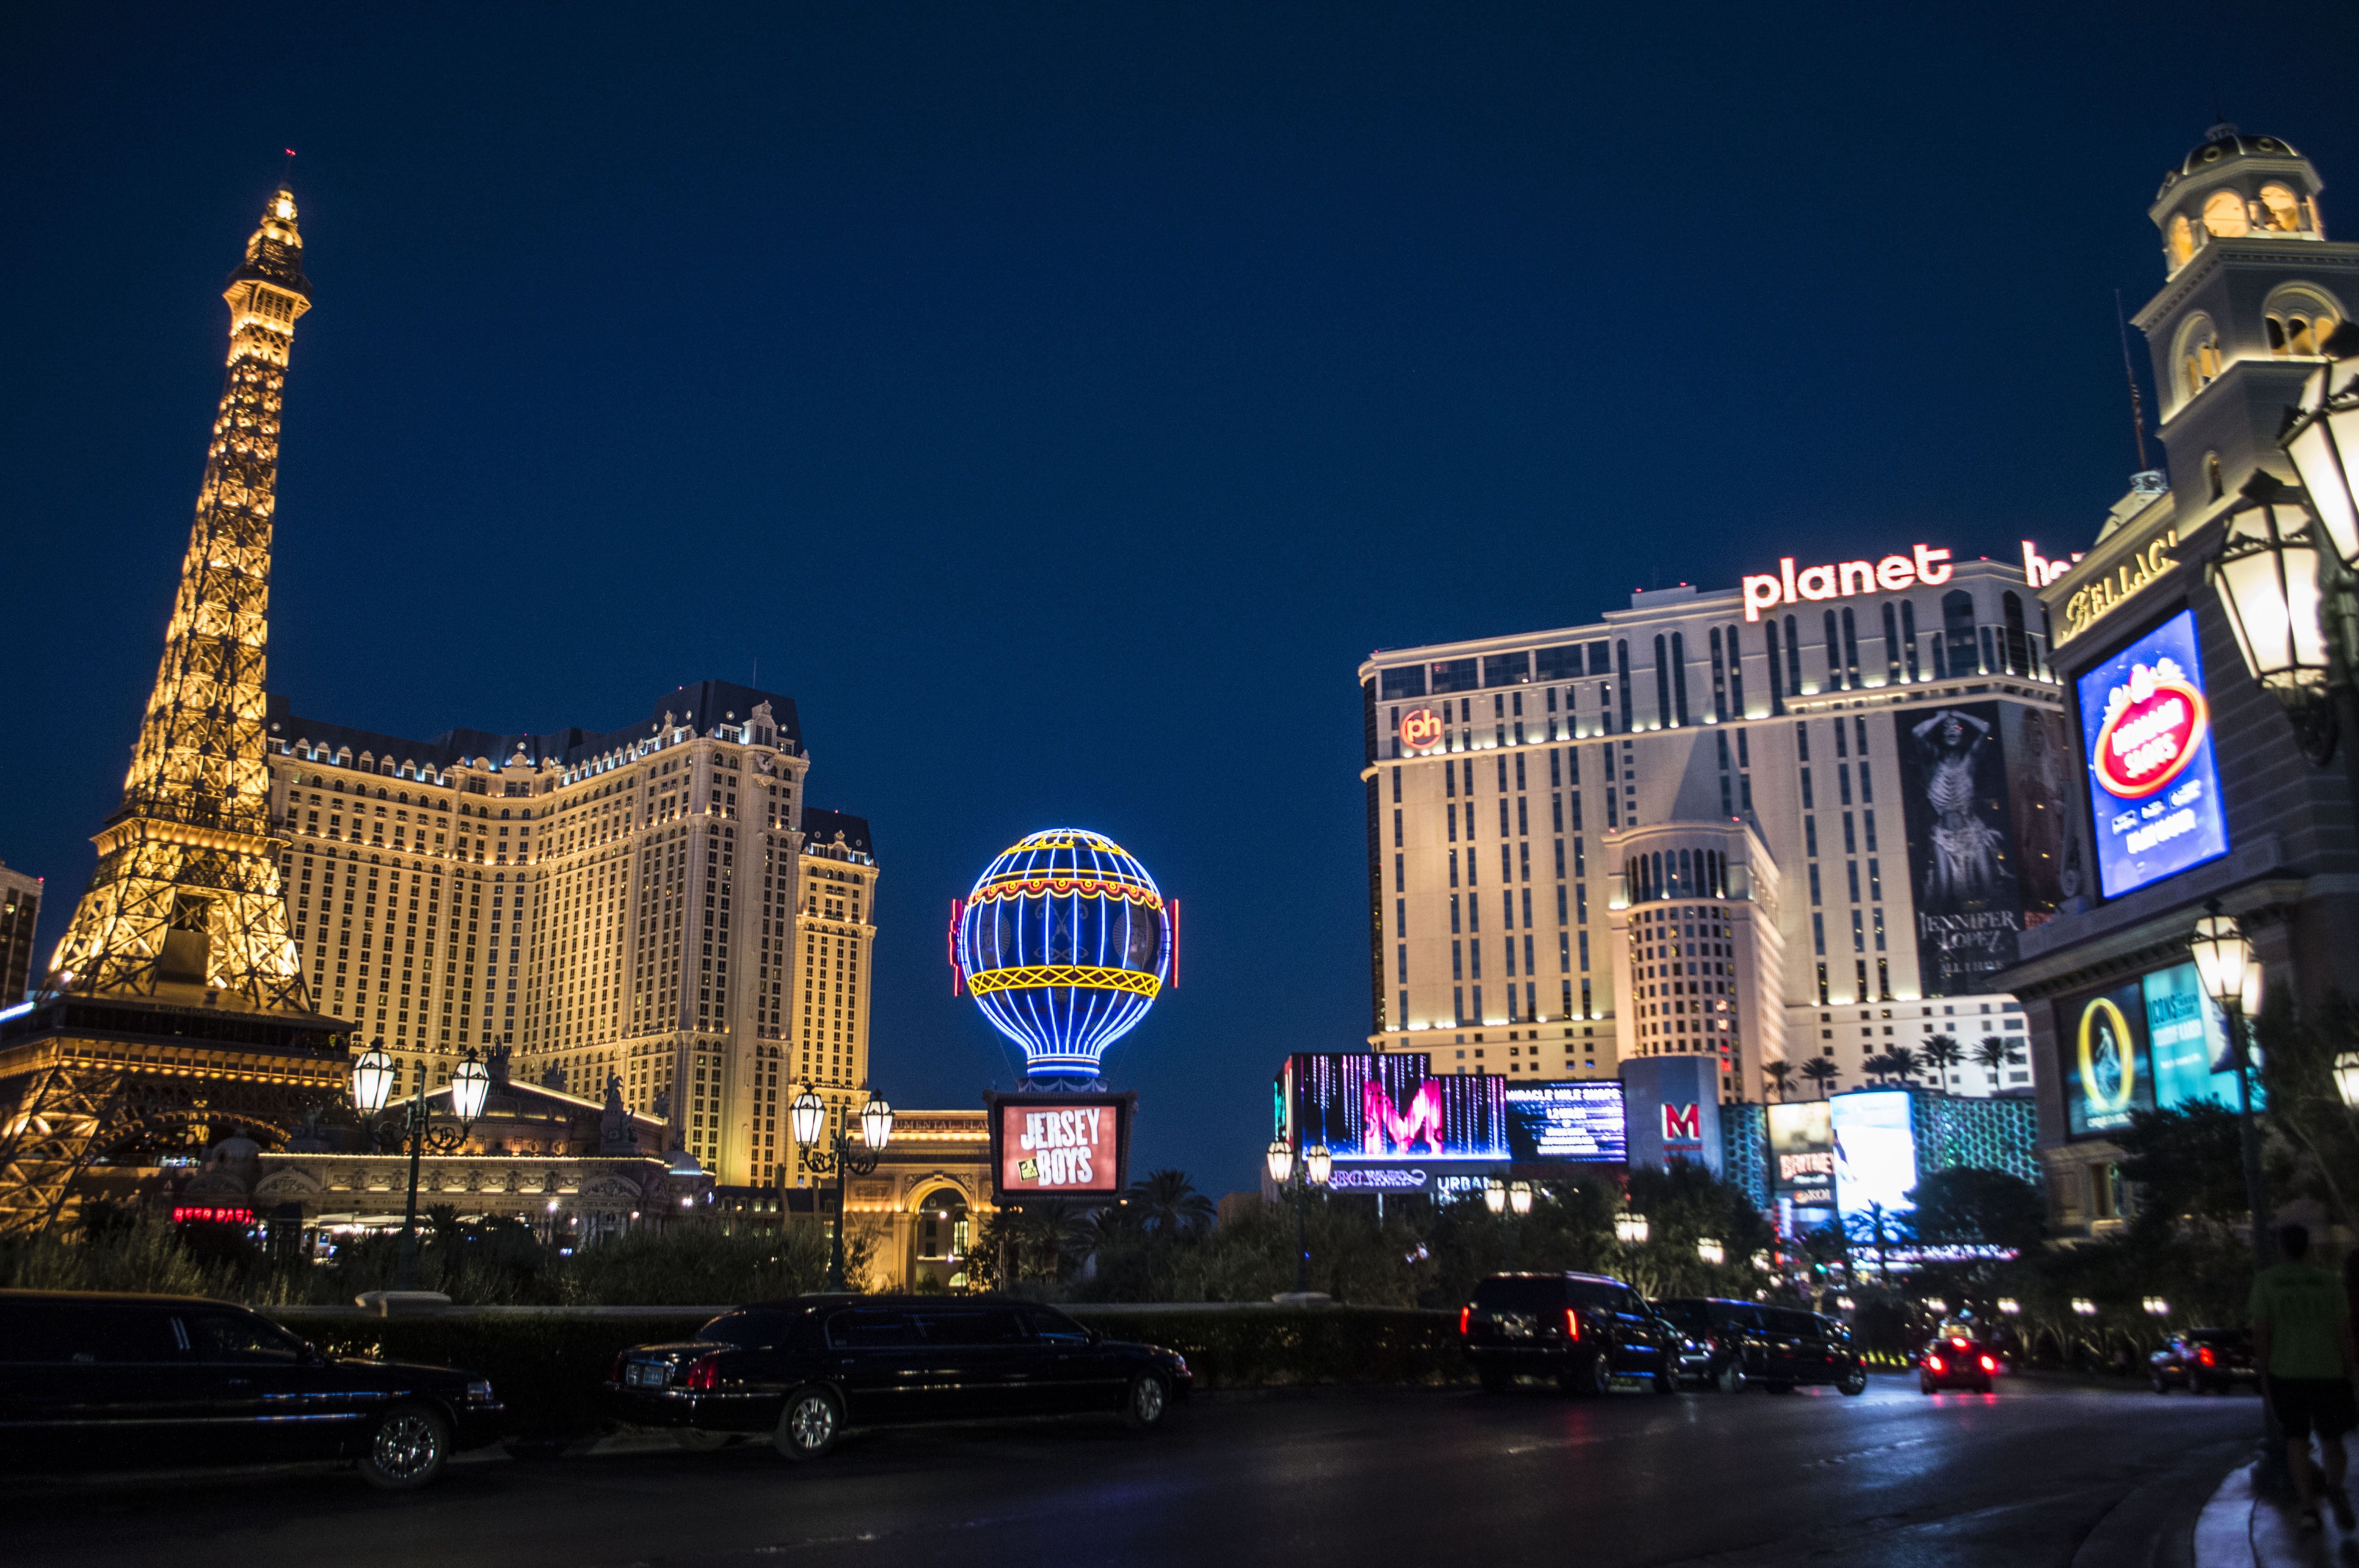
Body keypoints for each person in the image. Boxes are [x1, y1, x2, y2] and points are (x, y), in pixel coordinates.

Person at [2251, 1223, 2358, 1530]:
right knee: (2333, 1439)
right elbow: (2344, 1332)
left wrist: (2265, 1372)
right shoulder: (2330, 1282)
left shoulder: (2266, 1283)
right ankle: (2335, 1487)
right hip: (2329, 1371)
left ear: (2282, 1248)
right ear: (2308, 1247)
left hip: (2287, 1372)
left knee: (2297, 1440)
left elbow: (2262, 1333)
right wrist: (2348, 1370)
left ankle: (2309, 1509)